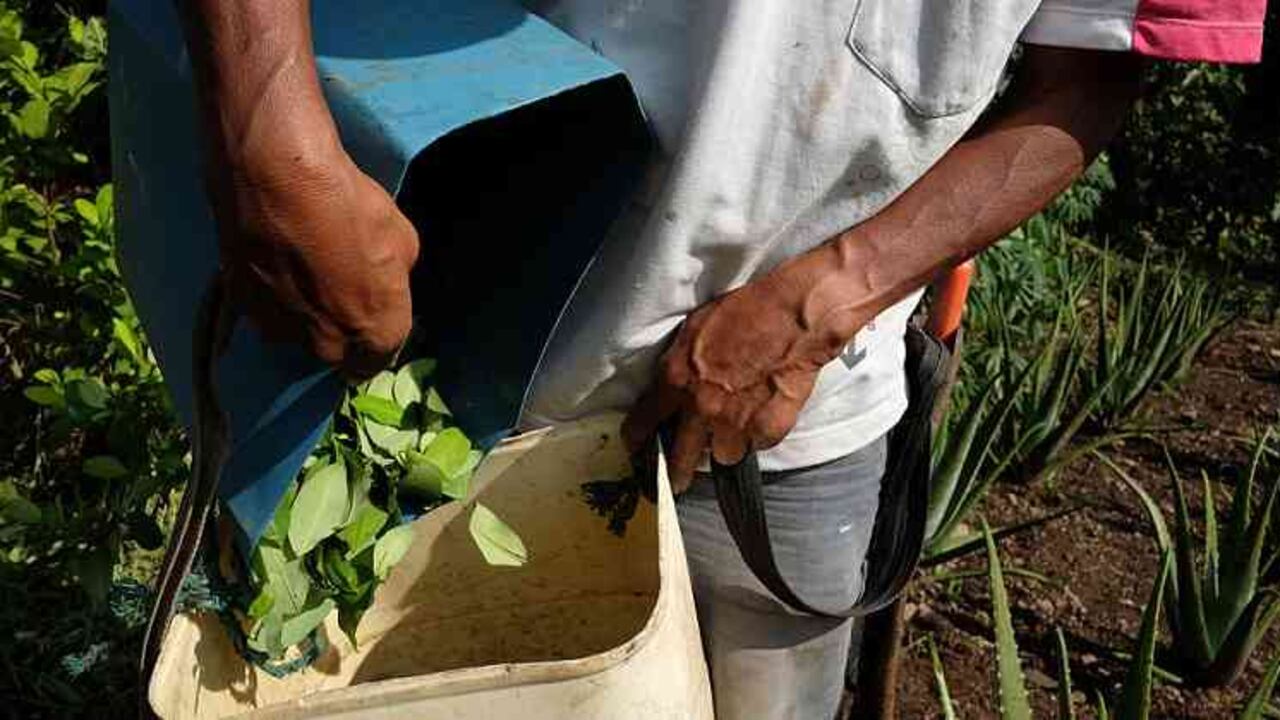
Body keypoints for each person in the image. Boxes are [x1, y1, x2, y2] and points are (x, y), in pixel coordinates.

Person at [175, 1, 1267, 717]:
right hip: (425, 336)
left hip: (780, 431)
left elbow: (1090, 75)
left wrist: (830, 294)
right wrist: (266, 137)